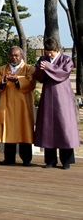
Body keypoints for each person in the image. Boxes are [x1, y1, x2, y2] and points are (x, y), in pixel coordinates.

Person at [34, 37, 79, 169]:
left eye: (51, 52)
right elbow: (39, 77)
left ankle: (66, 161)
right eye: (47, 51)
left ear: (57, 49)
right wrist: (41, 70)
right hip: (48, 96)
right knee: (48, 127)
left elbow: (63, 73)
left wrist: (48, 67)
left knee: (64, 127)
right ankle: (50, 160)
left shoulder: (66, 60)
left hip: (63, 98)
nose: (49, 54)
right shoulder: (42, 60)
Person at [0, 46, 36, 166]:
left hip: (24, 106)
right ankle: (9, 159)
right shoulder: (2, 69)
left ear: (21, 56)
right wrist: (4, 80)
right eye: (11, 55)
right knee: (8, 131)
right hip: (8, 105)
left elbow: (31, 83)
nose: (14, 58)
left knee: (25, 131)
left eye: (16, 55)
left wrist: (17, 79)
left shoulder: (29, 69)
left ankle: (26, 159)